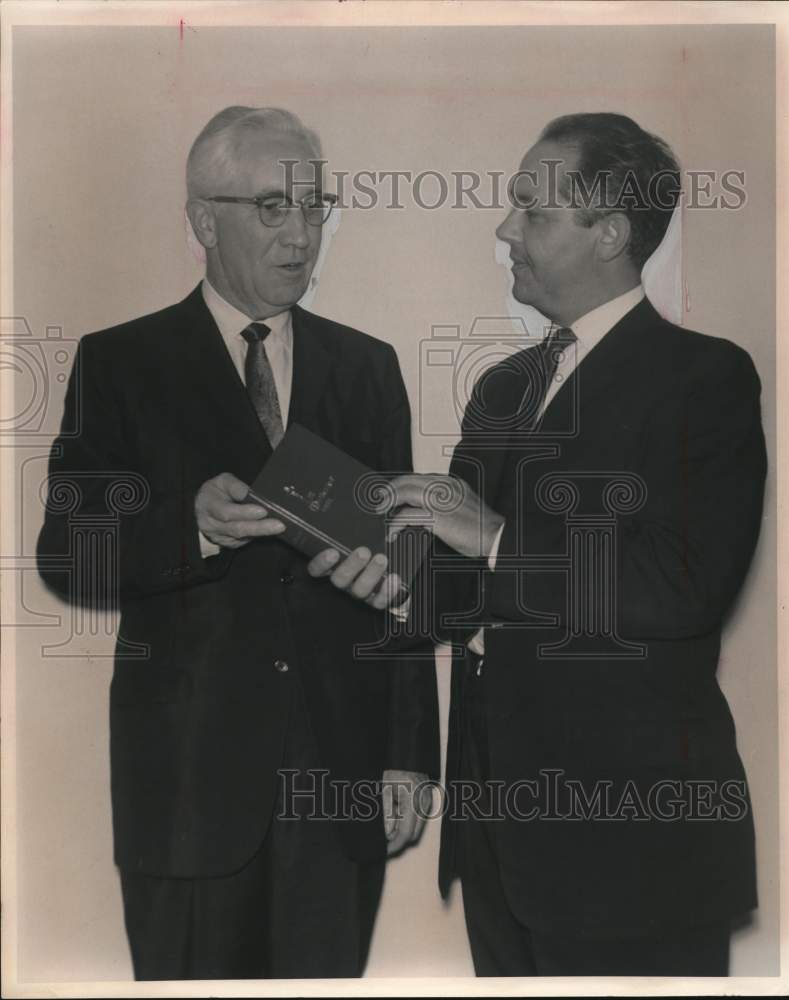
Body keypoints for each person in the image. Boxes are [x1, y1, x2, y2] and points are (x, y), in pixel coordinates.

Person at [309, 113, 767, 976]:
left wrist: (489, 534)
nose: (503, 229)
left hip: (633, 853)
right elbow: (461, 597)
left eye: (532, 211)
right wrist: (383, 567)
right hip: (496, 841)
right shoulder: (502, 388)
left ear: (611, 235)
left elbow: (680, 588)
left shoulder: (704, 378)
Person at [37, 105, 439, 980]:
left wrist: (409, 756)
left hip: (338, 787)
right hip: (184, 791)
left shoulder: (365, 369)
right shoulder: (122, 364)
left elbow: (401, 570)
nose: (300, 235)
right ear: (202, 221)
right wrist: (188, 525)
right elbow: (66, 553)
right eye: (271, 208)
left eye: (313, 207)